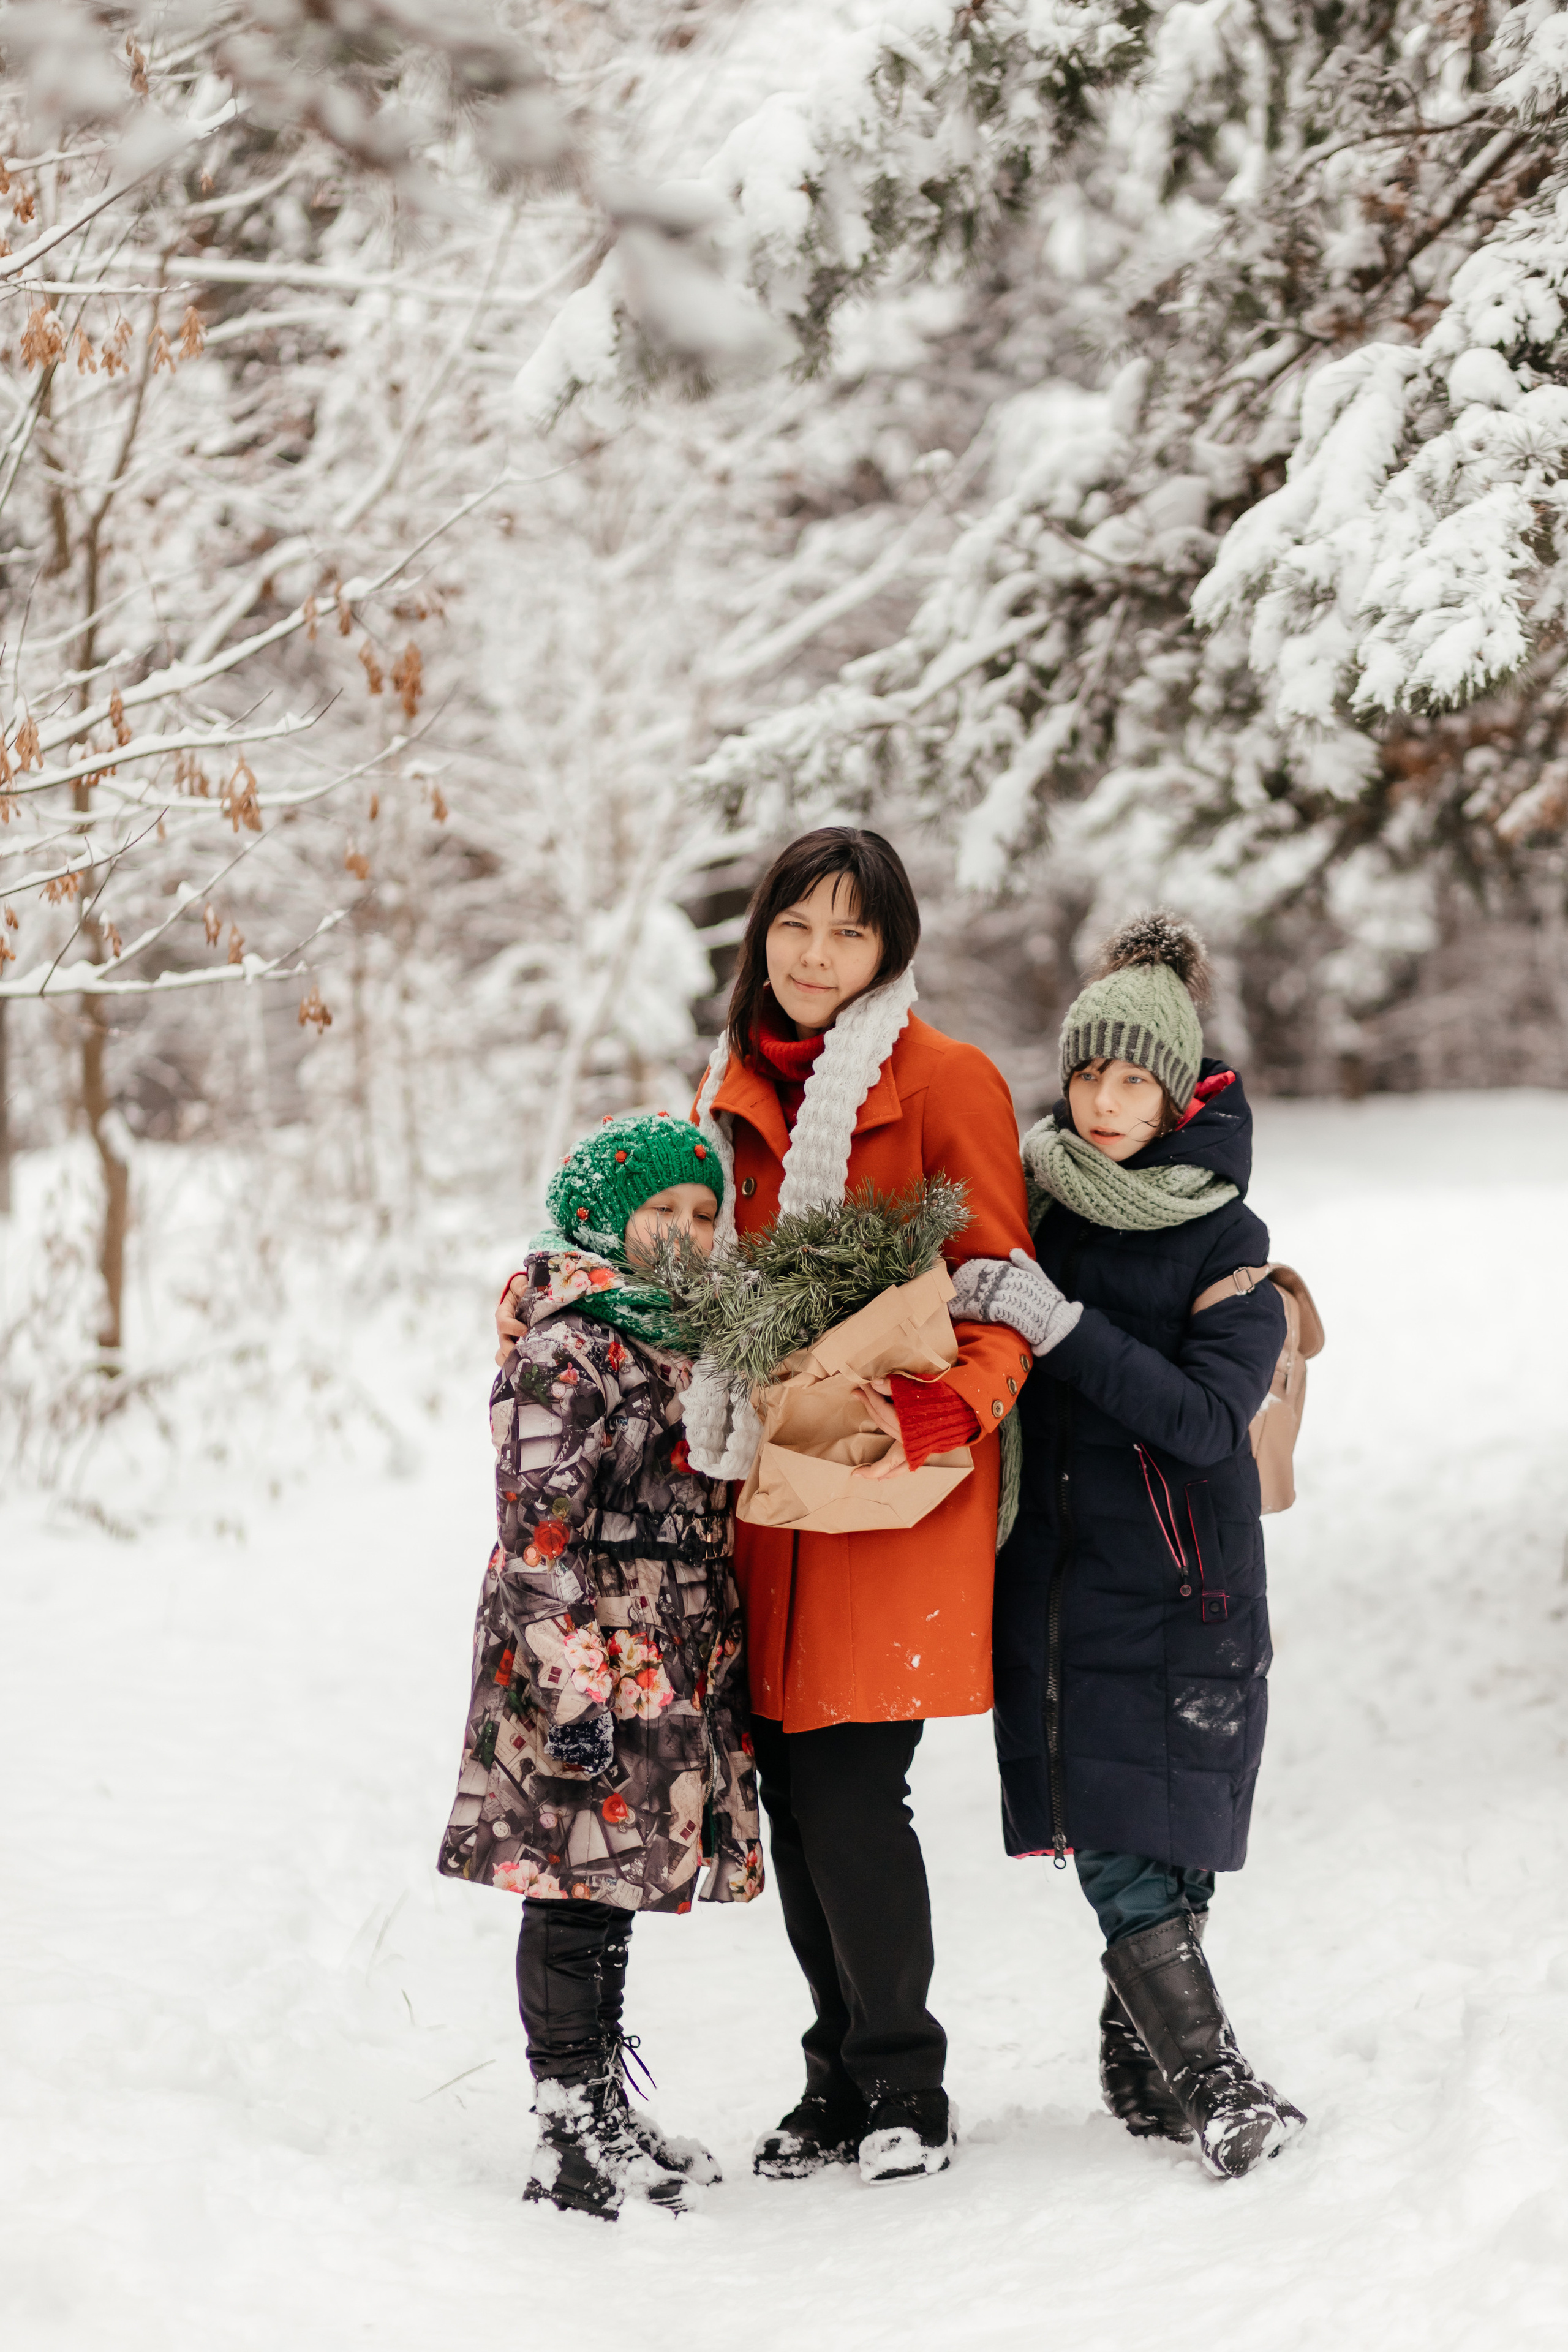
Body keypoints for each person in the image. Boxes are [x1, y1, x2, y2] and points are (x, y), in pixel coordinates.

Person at [684, 826, 1033, 2185]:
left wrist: (967, 1398)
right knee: (787, 1788)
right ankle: (832, 2079)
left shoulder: (942, 1080)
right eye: (795, 927)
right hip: (765, 1493)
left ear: (889, 951)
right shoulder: (731, 1093)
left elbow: (1000, 1279)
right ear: (760, 934)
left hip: (890, 1479)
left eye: (850, 933)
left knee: (848, 1789)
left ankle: (901, 2083)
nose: (817, 956)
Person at [950, 911, 1306, 2179]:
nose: (1102, 1103)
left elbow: (1207, 1420)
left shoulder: (1227, 1238)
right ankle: (1205, 2082)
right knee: (1111, 1827)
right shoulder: (1025, 1207)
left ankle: (1143, 2069)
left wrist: (1059, 1326)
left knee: (1175, 1831)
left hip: (1186, 1580)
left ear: (1175, 1087)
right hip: (1056, 1579)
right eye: (1086, 1074)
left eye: (1130, 1079)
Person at [440, 1112, 764, 2220]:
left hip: (665, 1648)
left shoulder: (681, 1334)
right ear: (599, 1218)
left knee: (613, 1881)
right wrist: (573, 1681)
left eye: (703, 1214)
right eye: (661, 1211)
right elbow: (535, 1535)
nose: (684, 1232)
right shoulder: (565, 1345)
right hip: (584, 1649)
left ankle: (607, 2108)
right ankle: (569, 2128)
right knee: (572, 1890)